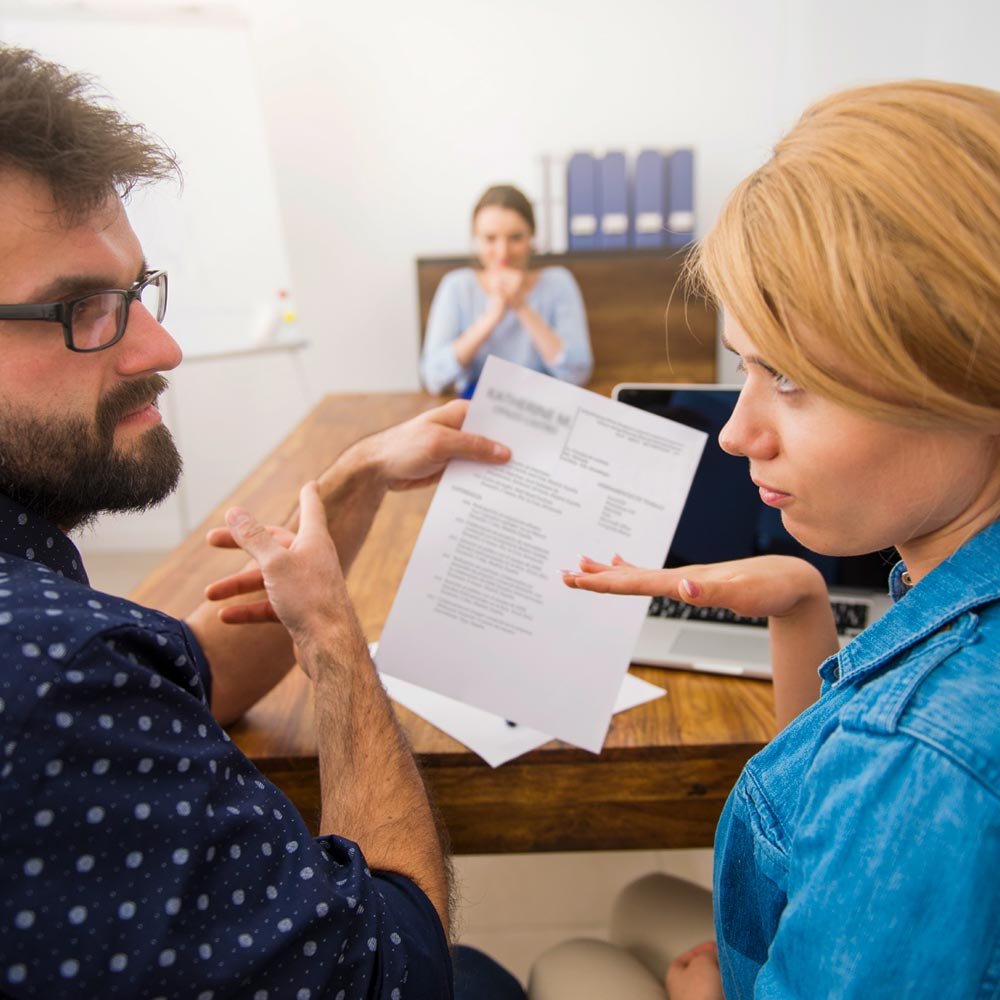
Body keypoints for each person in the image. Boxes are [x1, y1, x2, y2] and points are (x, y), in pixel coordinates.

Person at [0, 46, 525, 999]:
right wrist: (334, 641)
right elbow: (397, 968)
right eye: (82, 308)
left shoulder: (70, 657)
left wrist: (353, 479)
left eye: (137, 292)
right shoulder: (56, 677)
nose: (162, 347)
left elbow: (195, 673)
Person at [530, 79, 1000, 998]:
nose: (738, 433)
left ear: (962, 375)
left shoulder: (920, 761)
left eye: (788, 379)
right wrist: (802, 607)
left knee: (571, 961)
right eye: (745, 367)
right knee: (643, 901)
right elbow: (829, 808)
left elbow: (881, 785)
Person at [419, 184, 593, 396]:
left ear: (531, 237)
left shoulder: (558, 282)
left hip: (541, 405)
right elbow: (434, 377)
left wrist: (521, 306)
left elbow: (577, 373)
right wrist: (492, 316)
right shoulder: (457, 286)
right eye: (490, 238)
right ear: (476, 239)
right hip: (473, 405)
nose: (503, 252)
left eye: (516, 238)